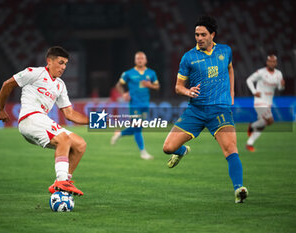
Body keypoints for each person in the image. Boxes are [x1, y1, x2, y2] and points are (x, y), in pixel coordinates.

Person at [162, 15, 248, 203]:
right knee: (168, 148)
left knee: (230, 149)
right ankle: (182, 151)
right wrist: (188, 91)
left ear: (212, 35)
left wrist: (232, 93)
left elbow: (231, 69)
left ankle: (238, 189)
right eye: (196, 35)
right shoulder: (189, 57)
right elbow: (178, 87)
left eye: (202, 34)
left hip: (219, 110)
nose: (199, 38)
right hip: (196, 111)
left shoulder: (225, 51)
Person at [0, 46, 88, 196]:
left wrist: (93, 120)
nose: (63, 67)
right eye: (60, 62)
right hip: (30, 119)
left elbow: (70, 114)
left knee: (79, 144)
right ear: (49, 61)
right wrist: (1, 109)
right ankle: (61, 181)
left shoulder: (60, 85)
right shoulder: (35, 73)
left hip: (40, 121)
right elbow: (8, 84)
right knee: (63, 139)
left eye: (65, 64)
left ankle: (64, 181)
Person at [111, 51, 160, 160]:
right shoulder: (128, 73)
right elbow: (118, 85)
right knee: (137, 128)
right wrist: (124, 93)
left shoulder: (151, 73)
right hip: (134, 104)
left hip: (145, 103)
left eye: (142, 58)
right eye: (138, 58)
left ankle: (119, 134)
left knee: (137, 127)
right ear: (135, 60)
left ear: (145, 60)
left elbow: (157, 86)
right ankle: (143, 152)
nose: (140, 60)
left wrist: (150, 85)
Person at [246, 54, 285, 152]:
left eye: (273, 62)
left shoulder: (279, 74)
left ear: (276, 63)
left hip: (268, 103)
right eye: (270, 61)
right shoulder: (261, 72)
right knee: (270, 120)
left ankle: (249, 143)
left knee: (262, 125)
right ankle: (252, 126)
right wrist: (254, 92)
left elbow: (280, 88)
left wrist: (282, 86)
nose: (272, 63)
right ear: (267, 62)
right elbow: (249, 80)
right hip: (259, 102)